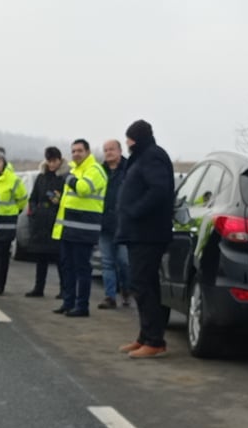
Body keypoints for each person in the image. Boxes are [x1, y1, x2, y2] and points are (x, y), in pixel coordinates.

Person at [115, 119, 176, 358]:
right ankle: (145, 336)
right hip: (138, 233)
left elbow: (158, 190)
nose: (127, 143)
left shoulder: (152, 156)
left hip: (148, 233)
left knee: (142, 285)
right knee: (145, 284)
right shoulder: (142, 157)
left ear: (137, 139)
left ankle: (154, 340)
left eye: (129, 138)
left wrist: (134, 210)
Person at [52, 139, 106, 317]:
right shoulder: (75, 170)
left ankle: (82, 306)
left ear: (88, 152)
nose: (76, 154)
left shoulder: (95, 170)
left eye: (79, 151)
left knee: (82, 269)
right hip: (69, 228)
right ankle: (68, 303)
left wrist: (67, 177)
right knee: (67, 267)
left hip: (84, 229)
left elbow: (83, 189)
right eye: (73, 151)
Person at [0, 148, 28, 294]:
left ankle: (0, 284)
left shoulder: (13, 180)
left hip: (6, 222)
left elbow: (22, 199)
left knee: (3, 254)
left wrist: (14, 211)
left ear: (4, 163)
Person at [24, 146, 66, 298]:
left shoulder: (64, 177)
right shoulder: (41, 177)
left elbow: (61, 199)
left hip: (55, 221)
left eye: (54, 161)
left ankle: (64, 289)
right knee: (41, 257)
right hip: (40, 220)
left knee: (59, 258)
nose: (52, 164)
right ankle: (38, 288)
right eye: (49, 161)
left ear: (59, 160)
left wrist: (53, 200)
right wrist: (34, 211)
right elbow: (33, 197)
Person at [98, 139, 130, 309]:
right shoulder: (100, 171)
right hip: (104, 224)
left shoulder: (129, 169)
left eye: (111, 149)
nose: (108, 152)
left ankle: (126, 289)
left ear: (119, 150)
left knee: (124, 262)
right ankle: (110, 296)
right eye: (105, 150)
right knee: (107, 262)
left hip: (124, 225)